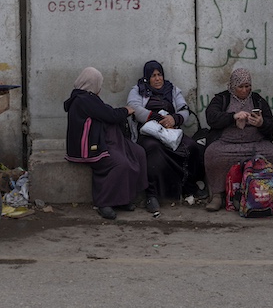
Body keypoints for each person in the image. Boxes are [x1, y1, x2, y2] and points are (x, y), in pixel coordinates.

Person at [64, 67, 153, 219]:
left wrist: (122, 112)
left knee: (138, 153)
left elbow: (105, 112)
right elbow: (110, 115)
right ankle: (103, 202)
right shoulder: (83, 100)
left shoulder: (88, 98)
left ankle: (124, 198)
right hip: (90, 147)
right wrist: (126, 111)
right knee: (121, 163)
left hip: (104, 141)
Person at [202, 67, 273, 212]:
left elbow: (272, 125)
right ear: (233, 86)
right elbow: (211, 117)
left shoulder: (257, 100)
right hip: (227, 144)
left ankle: (272, 193)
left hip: (255, 144)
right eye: (241, 87)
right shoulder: (222, 99)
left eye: (248, 86)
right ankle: (217, 194)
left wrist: (261, 123)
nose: (245, 90)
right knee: (212, 154)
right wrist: (232, 116)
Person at [127, 60, 204, 208]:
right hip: (148, 132)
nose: (157, 79)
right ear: (147, 78)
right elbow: (134, 108)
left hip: (170, 131)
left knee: (191, 147)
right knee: (154, 149)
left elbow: (184, 109)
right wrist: (156, 118)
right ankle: (152, 195)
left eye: (159, 75)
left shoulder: (172, 89)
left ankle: (188, 187)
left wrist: (174, 119)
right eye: (153, 75)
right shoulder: (138, 90)